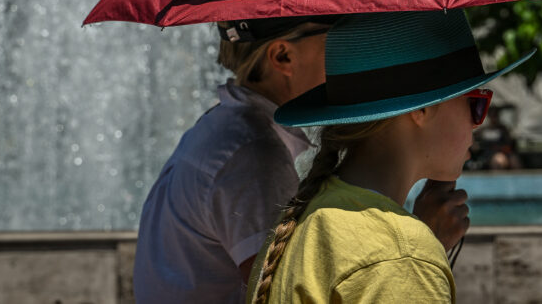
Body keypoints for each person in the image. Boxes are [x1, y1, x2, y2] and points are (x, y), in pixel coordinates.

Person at [133, 16, 471, 304]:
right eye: (335, 37)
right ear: (282, 55)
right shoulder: (254, 156)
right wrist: (419, 246)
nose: (346, 51)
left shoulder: (231, 135)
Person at [247, 10, 534, 304]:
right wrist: (415, 255)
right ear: (421, 109)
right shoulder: (397, 257)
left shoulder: (309, 216)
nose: (478, 122)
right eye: (475, 103)